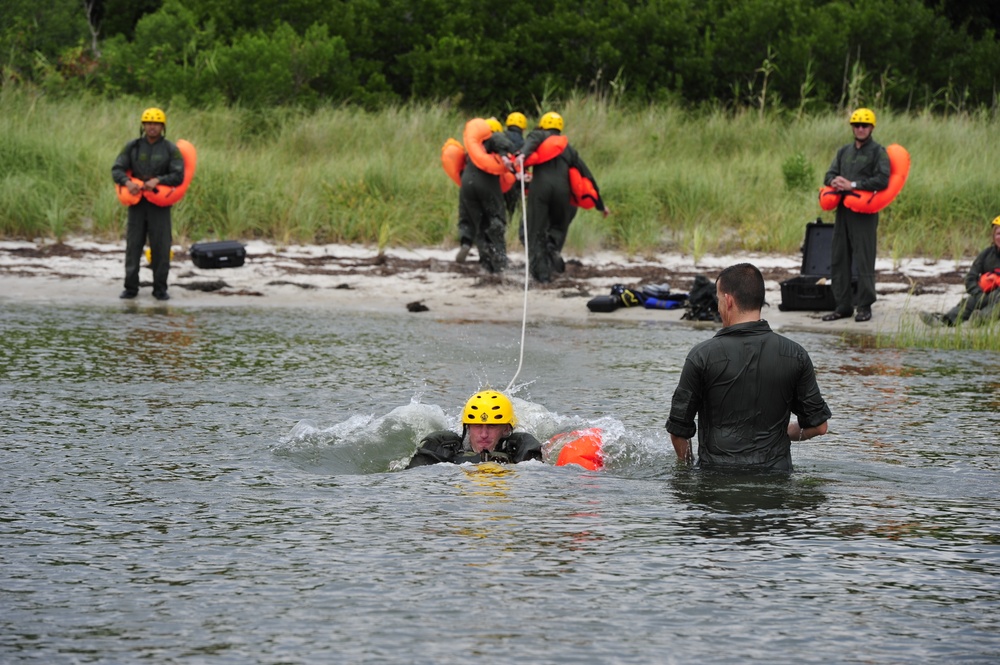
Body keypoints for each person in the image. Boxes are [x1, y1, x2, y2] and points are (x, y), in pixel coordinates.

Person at [666, 263, 831, 471]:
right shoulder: (795, 354)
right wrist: (779, 432)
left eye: (718, 299)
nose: (718, 307)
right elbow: (819, 426)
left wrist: (687, 468)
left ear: (728, 301)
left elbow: (679, 430)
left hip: (716, 483)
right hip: (775, 482)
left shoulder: (701, 356)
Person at [516, 111, 609, 283]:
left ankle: (542, 276)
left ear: (543, 125)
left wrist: (522, 154)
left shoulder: (539, 135)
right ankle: (552, 246)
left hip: (540, 189)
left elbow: (530, 142)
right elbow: (587, 175)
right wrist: (600, 205)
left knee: (535, 232)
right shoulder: (568, 149)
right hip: (562, 192)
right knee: (559, 226)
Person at [821, 107, 891, 323]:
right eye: (857, 125)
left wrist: (852, 184)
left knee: (864, 258)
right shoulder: (844, 151)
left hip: (865, 214)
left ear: (871, 127)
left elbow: (882, 179)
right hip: (843, 211)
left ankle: (864, 306)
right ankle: (843, 306)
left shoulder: (878, 152)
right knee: (839, 257)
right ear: (852, 127)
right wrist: (835, 181)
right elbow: (828, 174)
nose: (860, 129)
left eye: (865, 125)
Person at [111, 107, 184, 301]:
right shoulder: (132, 147)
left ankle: (160, 288)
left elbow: (178, 175)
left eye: (156, 123)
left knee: (161, 246)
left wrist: (158, 180)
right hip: (137, 205)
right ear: (143, 126)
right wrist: (127, 183)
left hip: (159, 206)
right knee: (133, 246)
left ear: (162, 126)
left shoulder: (170, 149)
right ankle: (130, 288)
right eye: (149, 123)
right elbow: (117, 169)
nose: (152, 127)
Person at [406, 390, 542, 467]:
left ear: (506, 430)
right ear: (468, 428)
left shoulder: (521, 447)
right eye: (477, 426)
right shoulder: (443, 446)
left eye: (492, 426)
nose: (483, 434)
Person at [454, 118, 516, 273]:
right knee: (496, 220)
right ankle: (500, 262)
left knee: (479, 223)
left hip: (467, 183)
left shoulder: (472, 149)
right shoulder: (493, 138)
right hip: (486, 181)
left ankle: (485, 264)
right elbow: (505, 144)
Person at [922, 215, 1000, 326]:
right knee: (970, 302)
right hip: (984, 294)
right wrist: (979, 294)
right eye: (998, 234)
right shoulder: (986, 254)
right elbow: (970, 278)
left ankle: (980, 319)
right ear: (993, 236)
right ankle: (944, 321)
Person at [503, 112, 528, 226]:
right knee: (513, 209)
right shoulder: (524, 143)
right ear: (523, 129)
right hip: (516, 180)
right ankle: (512, 228)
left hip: (500, 177)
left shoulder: (501, 136)